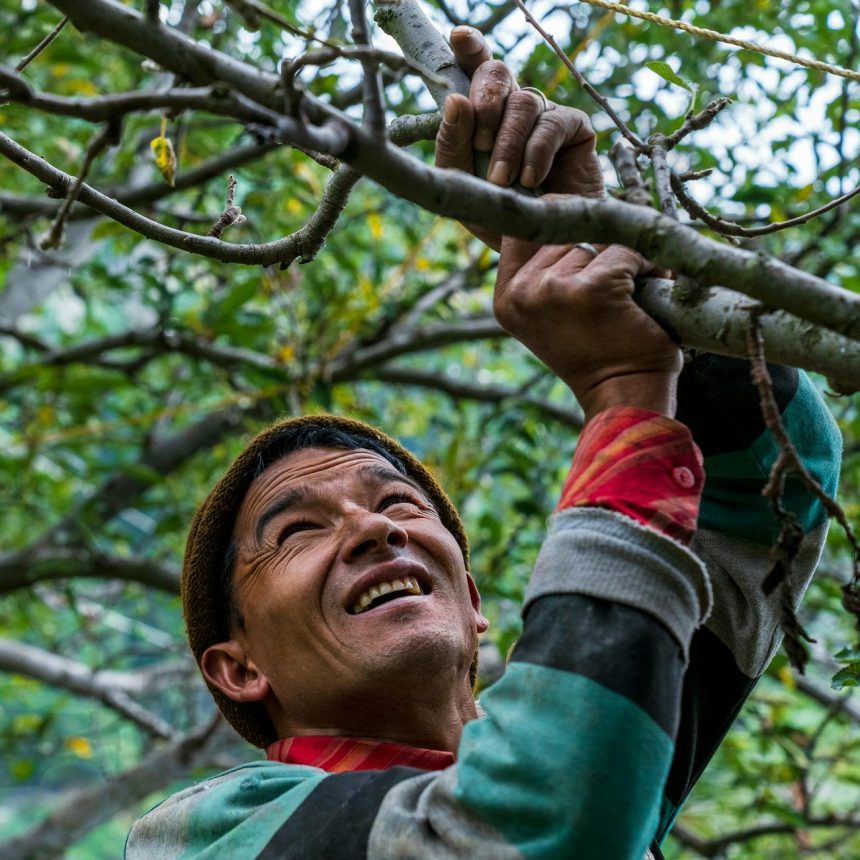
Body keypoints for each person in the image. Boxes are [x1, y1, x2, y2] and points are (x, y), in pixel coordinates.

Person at [125, 27, 841, 860]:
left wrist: (609, 255)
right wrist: (621, 387)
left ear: (473, 602)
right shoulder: (205, 838)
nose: (376, 529)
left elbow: (774, 487)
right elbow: (532, 823)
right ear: (239, 670)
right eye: (297, 531)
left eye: (397, 504)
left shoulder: (611, 744)